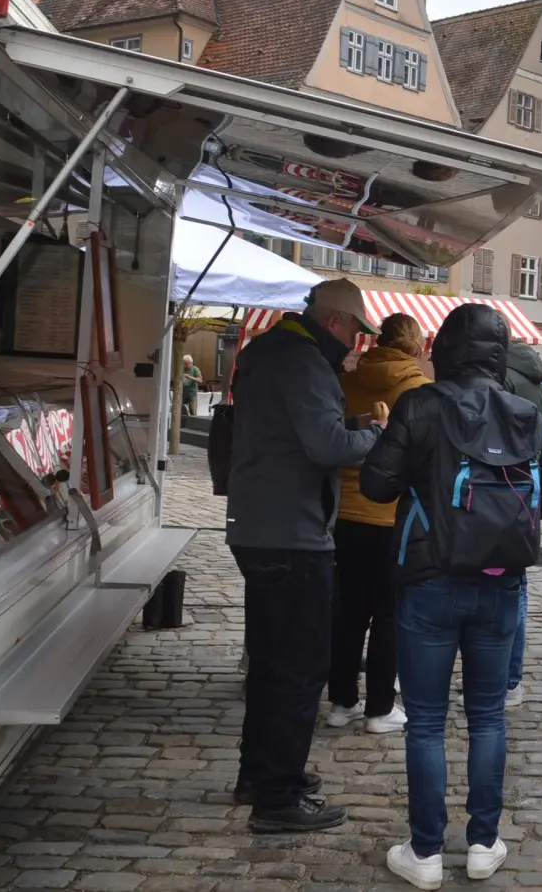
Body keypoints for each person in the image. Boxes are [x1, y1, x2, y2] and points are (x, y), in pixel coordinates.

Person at [358, 304, 542, 889]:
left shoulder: (420, 405)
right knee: (488, 716)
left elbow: (374, 483)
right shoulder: (526, 413)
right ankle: (484, 843)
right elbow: (541, 502)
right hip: (499, 582)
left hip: (428, 580)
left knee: (426, 722)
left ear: (442, 349)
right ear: (499, 353)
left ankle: (425, 854)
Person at [224, 278, 382, 834]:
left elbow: (301, 433)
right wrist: (375, 436)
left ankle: (259, 773)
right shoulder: (305, 361)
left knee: (270, 660)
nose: (357, 344)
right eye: (355, 332)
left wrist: (348, 427)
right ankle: (279, 796)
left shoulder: (269, 349)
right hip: (292, 532)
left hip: (261, 524)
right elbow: (328, 446)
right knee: (298, 667)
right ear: (336, 323)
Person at [328, 314, 430, 733]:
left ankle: (340, 702)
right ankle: (380, 708)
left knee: (348, 611)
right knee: (389, 614)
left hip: (345, 509)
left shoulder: (347, 379)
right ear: (417, 348)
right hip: (391, 513)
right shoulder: (419, 390)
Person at [502, 341, 542, 707]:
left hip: (498, 489)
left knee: (506, 589)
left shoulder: (502, 379)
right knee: (516, 587)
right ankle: (510, 681)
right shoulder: (536, 381)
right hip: (527, 491)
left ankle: (505, 680)